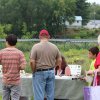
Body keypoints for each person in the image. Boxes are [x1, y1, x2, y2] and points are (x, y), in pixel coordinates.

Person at [30, 29, 62, 100]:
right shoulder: (54, 47)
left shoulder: (35, 47)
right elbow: (59, 59)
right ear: (49, 36)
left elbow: (32, 61)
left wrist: (33, 71)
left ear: (39, 36)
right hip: (51, 71)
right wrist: (54, 66)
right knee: (50, 95)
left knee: (39, 95)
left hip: (39, 72)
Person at [0, 34, 26, 100]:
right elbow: (23, 67)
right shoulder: (20, 53)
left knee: (5, 98)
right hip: (15, 81)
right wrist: (18, 66)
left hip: (5, 80)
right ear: (15, 43)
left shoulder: (1, 52)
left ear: (7, 42)